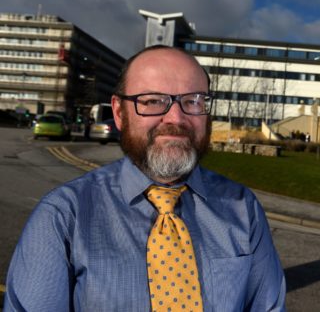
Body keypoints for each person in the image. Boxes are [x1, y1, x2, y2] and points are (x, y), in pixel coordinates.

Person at [4, 45, 286, 311]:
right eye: (152, 101)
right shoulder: (64, 216)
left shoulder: (243, 209)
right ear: (118, 112)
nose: (176, 118)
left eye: (193, 100)